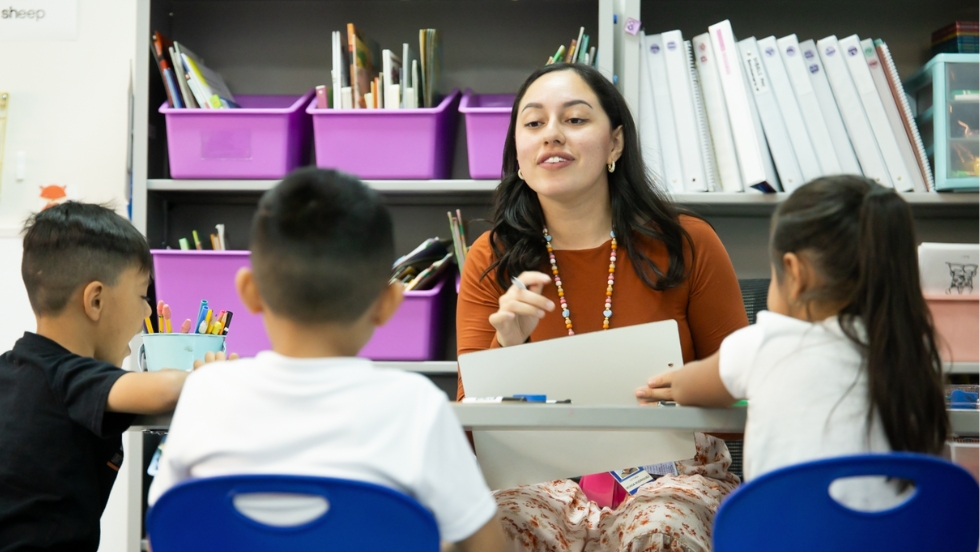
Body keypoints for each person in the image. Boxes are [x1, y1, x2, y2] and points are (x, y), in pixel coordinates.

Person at [456, 62, 748, 551]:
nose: (551, 135)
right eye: (533, 123)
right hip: (540, 476)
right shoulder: (491, 255)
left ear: (614, 144)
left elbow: (743, 397)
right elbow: (470, 431)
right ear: (519, 157)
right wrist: (505, 345)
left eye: (574, 120)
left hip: (670, 475)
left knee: (662, 527)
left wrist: (679, 397)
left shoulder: (687, 242)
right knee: (501, 525)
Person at [148, 168, 509, 551]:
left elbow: (168, 532)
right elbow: (487, 546)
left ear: (249, 292)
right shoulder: (416, 404)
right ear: (389, 305)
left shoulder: (206, 392)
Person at [642, 176, 949, 510]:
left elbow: (690, 387)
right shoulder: (915, 353)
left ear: (794, 272)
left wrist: (666, 383)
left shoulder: (764, 345)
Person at [0, 203, 199, 552]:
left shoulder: (13, 368)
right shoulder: (68, 374)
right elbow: (165, 389)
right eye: (141, 296)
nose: (148, 311)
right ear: (95, 301)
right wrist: (211, 374)